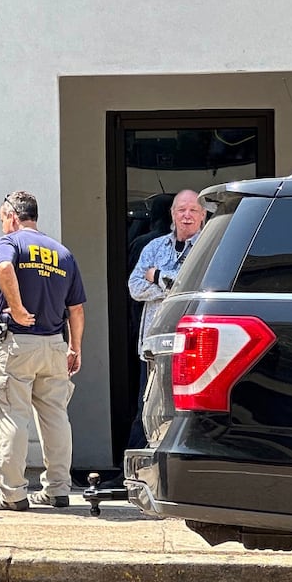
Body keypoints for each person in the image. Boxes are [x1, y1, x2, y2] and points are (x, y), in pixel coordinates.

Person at [0, 190, 86, 511]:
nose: (2, 223)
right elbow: (77, 309)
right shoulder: (63, 253)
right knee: (56, 416)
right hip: (55, 345)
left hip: (18, 342)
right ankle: (58, 489)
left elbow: (4, 270)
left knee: (11, 413)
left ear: (14, 216)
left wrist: (16, 308)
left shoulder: (11, 243)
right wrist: (75, 348)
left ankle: (13, 493)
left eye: (3, 217)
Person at [124, 189, 205, 449]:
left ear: (203, 215)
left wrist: (157, 276)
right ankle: (137, 468)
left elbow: (194, 289)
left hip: (193, 348)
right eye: (181, 210)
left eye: (193, 210)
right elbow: (135, 287)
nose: (187, 216)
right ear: (172, 214)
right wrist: (171, 286)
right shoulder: (154, 247)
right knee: (147, 409)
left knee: (186, 412)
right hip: (154, 348)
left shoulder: (210, 249)